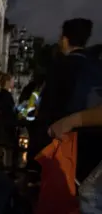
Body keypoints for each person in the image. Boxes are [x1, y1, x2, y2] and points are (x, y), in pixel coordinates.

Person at [32, 18, 101, 181]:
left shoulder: (61, 67)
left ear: (65, 39)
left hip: (63, 143)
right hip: (94, 146)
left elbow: (47, 108)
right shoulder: (97, 67)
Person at [0, 72, 17, 169]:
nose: (13, 82)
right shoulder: (7, 97)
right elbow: (9, 114)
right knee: (7, 149)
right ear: (7, 82)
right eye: (12, 80)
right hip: (5, 128)